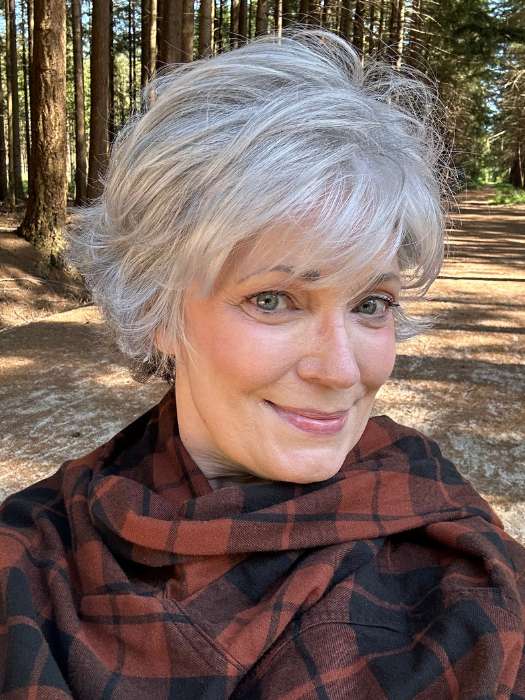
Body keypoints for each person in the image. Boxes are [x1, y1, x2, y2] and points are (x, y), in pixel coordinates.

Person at [1, 27, 524, 699]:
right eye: (273, 300)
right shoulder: (30, 561)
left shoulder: (461, 576)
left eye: (371, 304)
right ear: (158, 307)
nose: (341, 371)